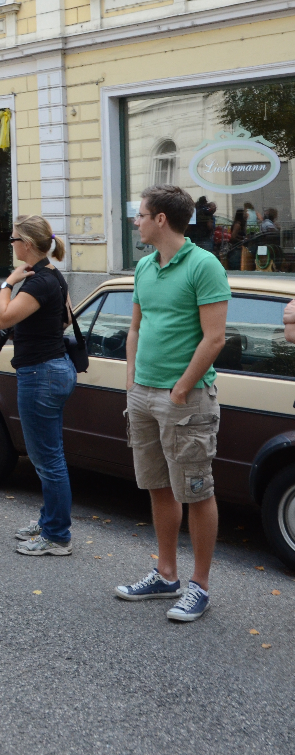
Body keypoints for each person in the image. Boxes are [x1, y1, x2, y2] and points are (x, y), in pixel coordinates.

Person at [116, 184, 229, 622]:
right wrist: (132, 381)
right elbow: (135, 328)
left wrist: (180, 388)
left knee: (197, 490)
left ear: (160, 219)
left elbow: (214, 338)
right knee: (158, 486)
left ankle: (199, 585)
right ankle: (166, 574)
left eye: (141, 215)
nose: (136, 222)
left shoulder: (204, 265)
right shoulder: (145, 266)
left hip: (186, 399)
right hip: (143, 394)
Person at [0, 215, 76, 556]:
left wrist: (7, 283)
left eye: (13, 239)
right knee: (49, 454)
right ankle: (49, 520)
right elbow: (66, 318)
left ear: (27, 244)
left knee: (47, 459)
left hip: (41, 374)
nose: (11, 244)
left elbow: (0, 318)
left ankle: (57, 536)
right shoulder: (53, 275)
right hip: (55, 368)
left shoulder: (37, 282)